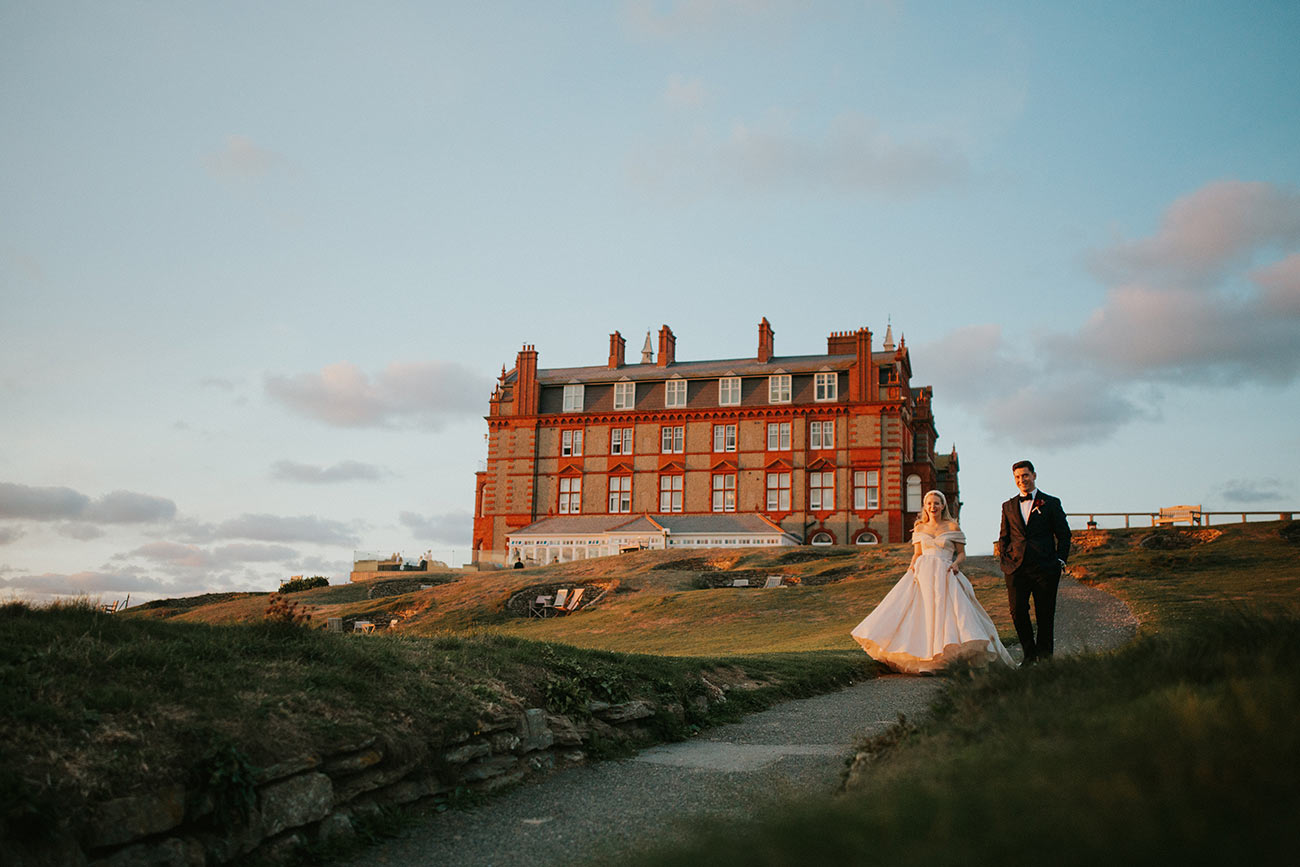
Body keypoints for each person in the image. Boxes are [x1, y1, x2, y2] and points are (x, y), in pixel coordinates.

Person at [851, 490, 1014, 674]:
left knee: (948, 614)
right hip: (923, 573)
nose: (932, 506)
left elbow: (961, 554)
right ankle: (924, 660)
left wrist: (956, 565)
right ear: (925, 506)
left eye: (936, 503)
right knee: (922, 614)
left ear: (943, 505)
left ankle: (943, 659)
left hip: (945, 572)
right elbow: (917, 554)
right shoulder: (920, 528)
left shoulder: (952, 527)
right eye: (929, 503)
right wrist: (911, 569)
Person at [997, 460, 1071, 664]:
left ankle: (1046, 659)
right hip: (1016, 568)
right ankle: (1029, 656)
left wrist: (1060, 560)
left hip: (1045, 567)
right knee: (1017, 611)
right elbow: (1004, 536)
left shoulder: (1051, 503)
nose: (1022, 480)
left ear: (1034, 475)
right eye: (1018, 477)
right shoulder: (1008, 506)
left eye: (1025, 475)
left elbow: (1064, 535)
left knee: (1045, 614)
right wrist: (1005, 561)